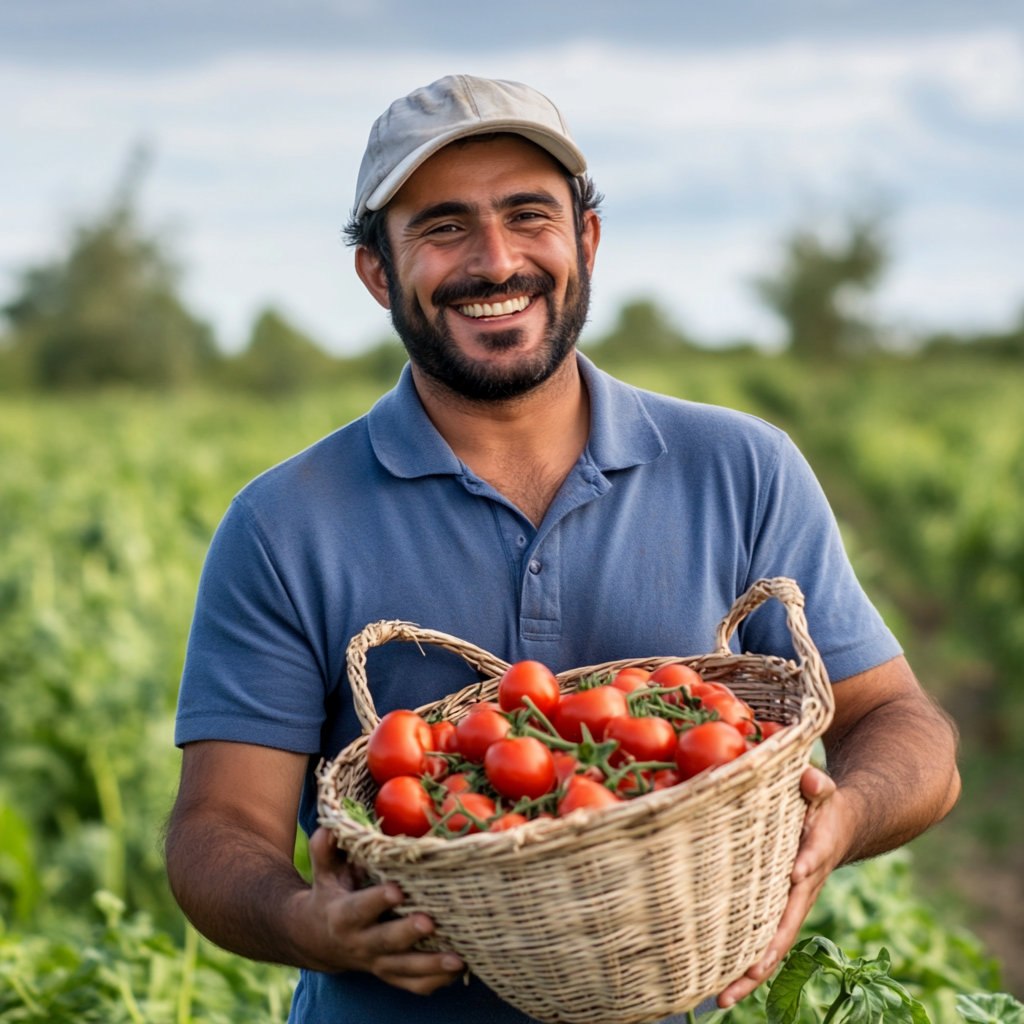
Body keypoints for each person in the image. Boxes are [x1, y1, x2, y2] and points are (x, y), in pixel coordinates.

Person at [166, 75, 960, 1023]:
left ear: (584, 239)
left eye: (528, 214)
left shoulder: (740, 468)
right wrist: (307, 921)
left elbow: (907, 731)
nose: (495, 261)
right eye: (443, 227)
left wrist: (840, 819)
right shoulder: (283, 524)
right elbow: (219, 829)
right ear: (379, 272)